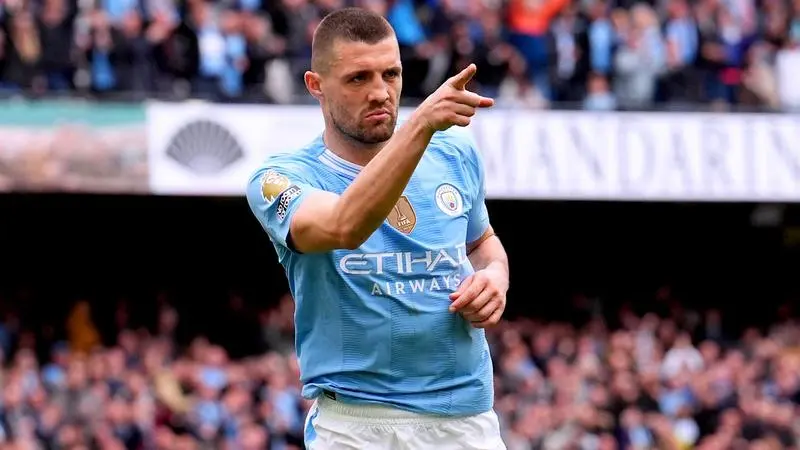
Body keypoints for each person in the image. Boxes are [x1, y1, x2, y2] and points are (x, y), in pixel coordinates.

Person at [245, 7, 510, 450]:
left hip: (464, 418)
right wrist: (420, 125)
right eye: (358, 78)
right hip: (355, 424)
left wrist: (495, 276)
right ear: (315, 85)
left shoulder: (453, 151)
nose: (380, 93)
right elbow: (344, 225)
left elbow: (482, 244)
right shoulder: (280, 179)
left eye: (391, 74)